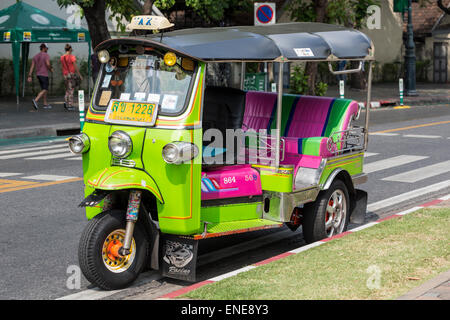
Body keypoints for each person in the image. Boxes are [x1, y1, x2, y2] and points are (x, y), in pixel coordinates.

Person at [27, 43, 53, 110]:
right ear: (44, 48)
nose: (47, 49)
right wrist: (51, 69)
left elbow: (32, 66)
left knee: (44, 89)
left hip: (38, 75)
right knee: (45, 89)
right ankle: (35, 100)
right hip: (44, 75)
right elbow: (48, 64)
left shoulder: (36, 56)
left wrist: (29, 75)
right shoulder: (46, 55)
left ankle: (45, 104)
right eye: (47, 48)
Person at [60, 44, 83, 111]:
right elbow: (75, 66)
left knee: (67, 89)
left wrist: (64, 74)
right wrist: (80, 75)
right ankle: (70, 105)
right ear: (70, 49)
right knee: (71, 90)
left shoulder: (62, 57)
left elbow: (62, 67)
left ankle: (65, 101)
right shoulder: (72, 57)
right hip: (71, 75)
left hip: (65, 75)